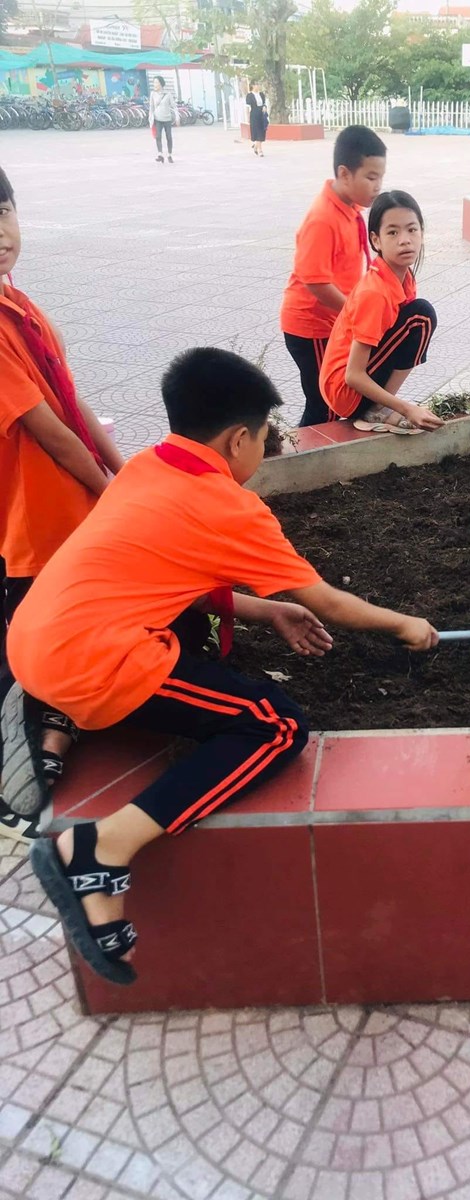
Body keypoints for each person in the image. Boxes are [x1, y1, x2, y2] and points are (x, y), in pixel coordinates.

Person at [2, 346, 439, 985]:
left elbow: (172, 574)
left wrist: (265, 612)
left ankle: (53, 719)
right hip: (91, 663)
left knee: (183, 627)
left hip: (30, 640)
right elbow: (326, 601)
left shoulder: (150, 464)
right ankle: (100, 848)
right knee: (275, 725)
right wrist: (406, 624)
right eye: (263, 437)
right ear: (238, 440)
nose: (262, 449)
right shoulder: (227, 506)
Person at [0, 166, 123, 796]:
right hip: (33, 520)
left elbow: (72, 402)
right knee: (31, 650)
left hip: (67, 508)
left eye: (4, 212)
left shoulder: (22, 306)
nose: (1, 232)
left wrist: (123, 472)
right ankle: (25, 781)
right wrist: (111, 490)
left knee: (63, 629)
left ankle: (54, 732)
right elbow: (46, 430)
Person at [280, 125, 387, 427]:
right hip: (312, 326)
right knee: (324, 403)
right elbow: (315, 282)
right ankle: (304, 453)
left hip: (334, 322)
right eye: (371, 177)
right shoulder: (323, 218)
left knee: (327, 402)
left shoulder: (349, 207)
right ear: (344, 174)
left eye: (381, 177)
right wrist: (353, 312)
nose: (378, 186)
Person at [320, 190, 442, 434]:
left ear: (422, 233)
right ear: (376, 240)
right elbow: (353, 375)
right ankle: (378, 408)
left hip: (352, 385)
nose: (405, 240)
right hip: (346, 391)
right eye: (393, 232)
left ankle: (380, 406)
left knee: (418, 316)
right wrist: (406, 408)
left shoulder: (404, 277)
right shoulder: (375, 293)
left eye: (412, 229)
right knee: (421, 316)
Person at [149, 76, 179, 164]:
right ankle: (160, 155)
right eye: (154, 82)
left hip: (167, 119)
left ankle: (169, 155)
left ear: (161, 84)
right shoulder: (152, 94)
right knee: (158, 136)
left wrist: (177, 117)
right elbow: (151, 107)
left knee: (169, 137)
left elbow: (174, 106)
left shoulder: (168, 94)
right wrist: (150, 118)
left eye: (156, 82)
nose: (155, 84)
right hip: (157, 119)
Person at [245, 82, 268, 157]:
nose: (258, 86)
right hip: (254, 115)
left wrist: (264, 107)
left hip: (261, 114)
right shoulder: (250, 95)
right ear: (252, 86)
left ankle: (255, 146)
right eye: (256, 84)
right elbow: (247, 107)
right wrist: (248, 117)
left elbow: (264, 103)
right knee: (257, 132)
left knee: (261, 131)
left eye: (259, 84)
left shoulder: (261, 94)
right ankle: (260, 150)